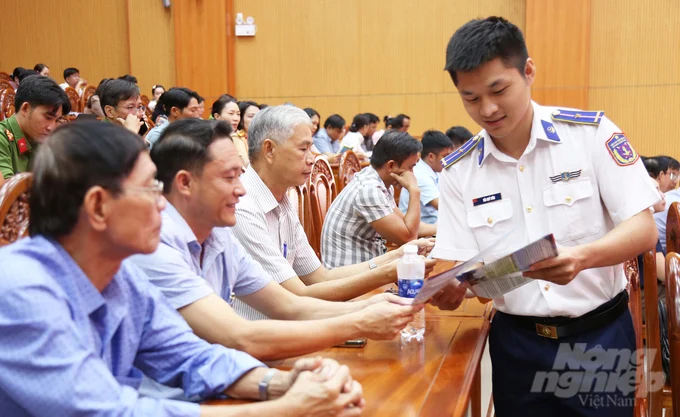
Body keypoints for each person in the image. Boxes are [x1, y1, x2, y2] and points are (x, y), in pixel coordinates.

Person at [0, 121, 364, 416]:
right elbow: (108, 412)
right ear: (98, 206)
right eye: (149, 191)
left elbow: (190, 356)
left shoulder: (121, 276)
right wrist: (288, 408)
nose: (163, 206)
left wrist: (280, 384)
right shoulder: (19, 290)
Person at [431, 17, 660, 416]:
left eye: (498, 90)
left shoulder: (590, 135)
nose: (487, 109)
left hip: (597, 337)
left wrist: (581, 258)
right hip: (516, 345)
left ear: (529, 71)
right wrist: (451, 288)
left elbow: (642, 230)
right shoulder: (459, 172)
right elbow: (462, 265)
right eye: (470, 98)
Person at [132, 118, 418, 363]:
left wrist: (375, 305)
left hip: (234, 364)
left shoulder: (219, 233)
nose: (240, 189)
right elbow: (238, 337)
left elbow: (288, 305)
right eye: (229, 177)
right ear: (185, 183)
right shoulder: (156, 245)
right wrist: (358, 321)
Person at [233, 105, 436, 319]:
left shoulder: (283, 200)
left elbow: (320, 277)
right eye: (304, 149)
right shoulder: (244, 208)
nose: (312, 158)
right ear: (269, 150)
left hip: (293, 325)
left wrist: (397, 256)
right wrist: (386, 274)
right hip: (266, 339)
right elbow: (298, 297)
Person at [321, 131, 437, 269]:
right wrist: (414, 190)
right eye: (411, 167)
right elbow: (407, 238)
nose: (412, 174)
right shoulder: (370, 190)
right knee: (438, 279)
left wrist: (442, 231)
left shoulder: (379, 182)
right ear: (391, 166)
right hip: (349, 278)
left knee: (444, 281)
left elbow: (406, 225)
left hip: (368, 266)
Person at [0, 75, 70, 179]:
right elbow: (7, 191)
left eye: (57, 120)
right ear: (25, 109)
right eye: (48, 117)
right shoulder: (2, 137)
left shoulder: (44, 139)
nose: (52, 127)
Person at [399, 130, 454, 224]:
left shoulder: (436, 170)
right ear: (431, 157)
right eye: (445, 156)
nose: (449, 160)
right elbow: (445, 207)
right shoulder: (420, 175)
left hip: (434, 224)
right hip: (422, 229)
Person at [211, 94, 247, 165]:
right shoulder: (211, 138)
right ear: (217, 116)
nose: (236, 118)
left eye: (238, 114)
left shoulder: (240, 137)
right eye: (231, 113)